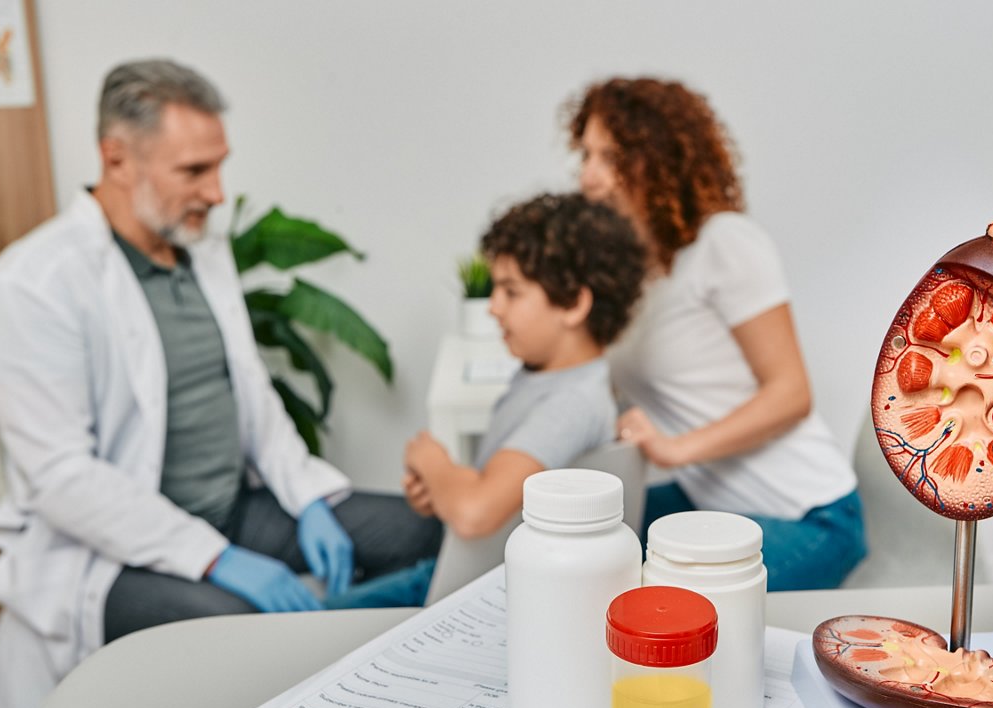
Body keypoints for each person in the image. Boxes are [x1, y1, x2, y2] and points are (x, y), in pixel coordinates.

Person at [0, 59, 441, 708]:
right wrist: (215, 558)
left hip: (235, 508)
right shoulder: (35, 283)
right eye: (194, 171)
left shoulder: (201, 248)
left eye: (219, 166)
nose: (218, 193)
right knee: (236, 632)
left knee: (423, 533)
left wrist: (308, 499)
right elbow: (61, 480)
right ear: (117, 158)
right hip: (114, 552)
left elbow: (251, 394)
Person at [568, 76, 866, 590]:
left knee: (629, 595)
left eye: (609, 158)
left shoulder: (724, 243)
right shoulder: (638, 271)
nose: (588, 177)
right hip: (714, 503)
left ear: (658, 162)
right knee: (575, 545)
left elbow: (791, 394)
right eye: (586, 155)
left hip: (810, 516)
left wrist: (676, 450)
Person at [326, 192, 646, 608]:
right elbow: (489, 490)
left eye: (511, 292)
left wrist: (433, 463)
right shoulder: (546, 376)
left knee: (324, 614)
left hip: (477, 590)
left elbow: (477, 513)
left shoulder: (570, 404)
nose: (493, 307)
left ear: (573, 304)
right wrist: (443, 490)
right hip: (472, 570)